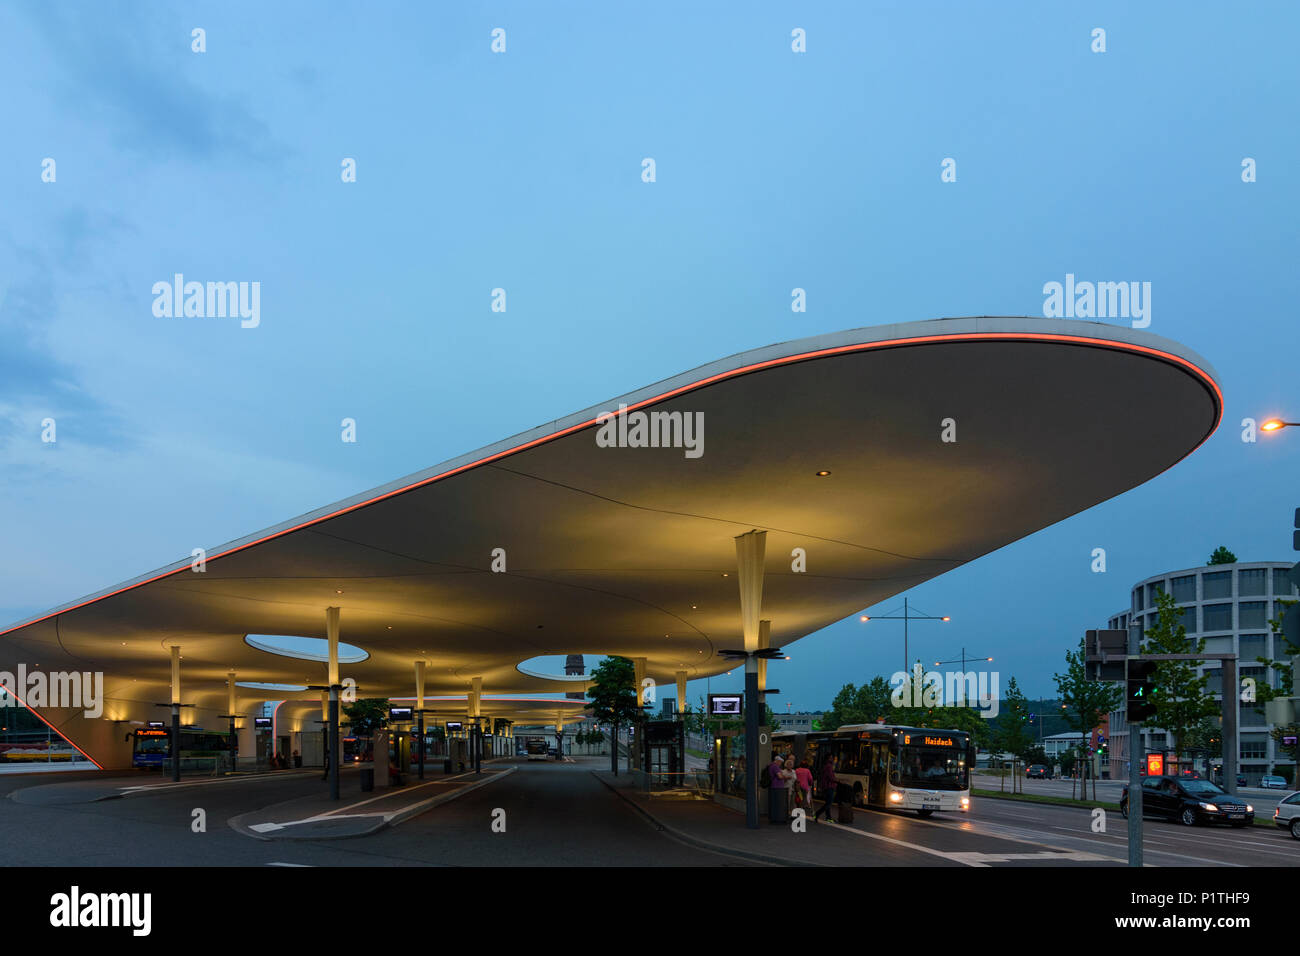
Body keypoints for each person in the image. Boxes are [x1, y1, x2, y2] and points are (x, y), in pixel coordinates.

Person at [814, 755, 837, 822]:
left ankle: (828, 817)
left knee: (827, 802)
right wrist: (837, 781)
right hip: (829, 786)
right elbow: (831, 777)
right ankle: (817, 813)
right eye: (831, 758)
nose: (832, 759)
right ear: (828, 759)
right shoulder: (829, 766)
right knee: (828, 803)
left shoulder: (826, 765)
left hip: (826, 786)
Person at [768, 753, 788, 823]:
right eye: (780, 762)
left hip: (774, 786)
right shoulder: (775, 767)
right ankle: (778, 818)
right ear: (777, 761)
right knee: (779, 803)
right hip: (778, 787)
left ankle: (774, 818)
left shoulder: (771, 766)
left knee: (774, 803)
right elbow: (779, 776)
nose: (780, 764)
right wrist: (785, 777)